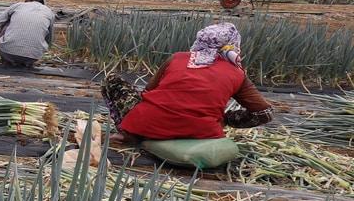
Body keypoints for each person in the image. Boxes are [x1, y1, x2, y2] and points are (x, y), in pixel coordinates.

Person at [101, 22, 274, 141]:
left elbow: (147, 92)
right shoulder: (236, 73)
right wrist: (226, 119)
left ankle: (127, 133)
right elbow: (264, 113)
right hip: (203, 134)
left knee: (113, 81)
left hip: (148, 126)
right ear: (233, 44)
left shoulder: (177, 58)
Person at [0, 0, 55, 68]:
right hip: (33, 57)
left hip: (8, 52)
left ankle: (9, 59)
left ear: (27, 0)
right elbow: (49, 41)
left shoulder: (18, 6)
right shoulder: (49, 12)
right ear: (43, 3)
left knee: (7, 22)